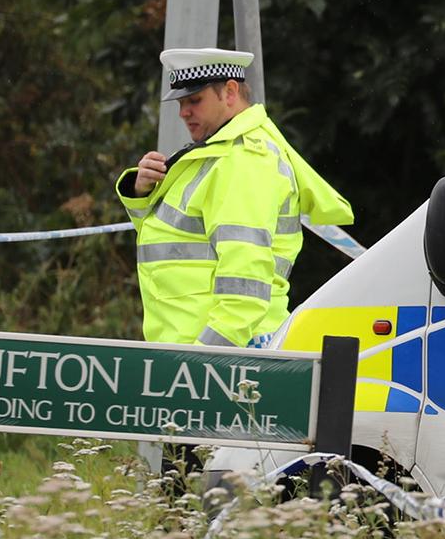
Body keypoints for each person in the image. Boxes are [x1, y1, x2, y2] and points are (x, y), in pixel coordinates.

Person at [117, 44, 352, 352]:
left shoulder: (244, 161)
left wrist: (204, 358)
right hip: (193, 348)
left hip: (217, 354)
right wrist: (142, 192)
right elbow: (170, 239)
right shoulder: (215, 154)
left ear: (229, 92)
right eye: (181, 102)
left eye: (195, 100)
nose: (183, 112)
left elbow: (245, 288)